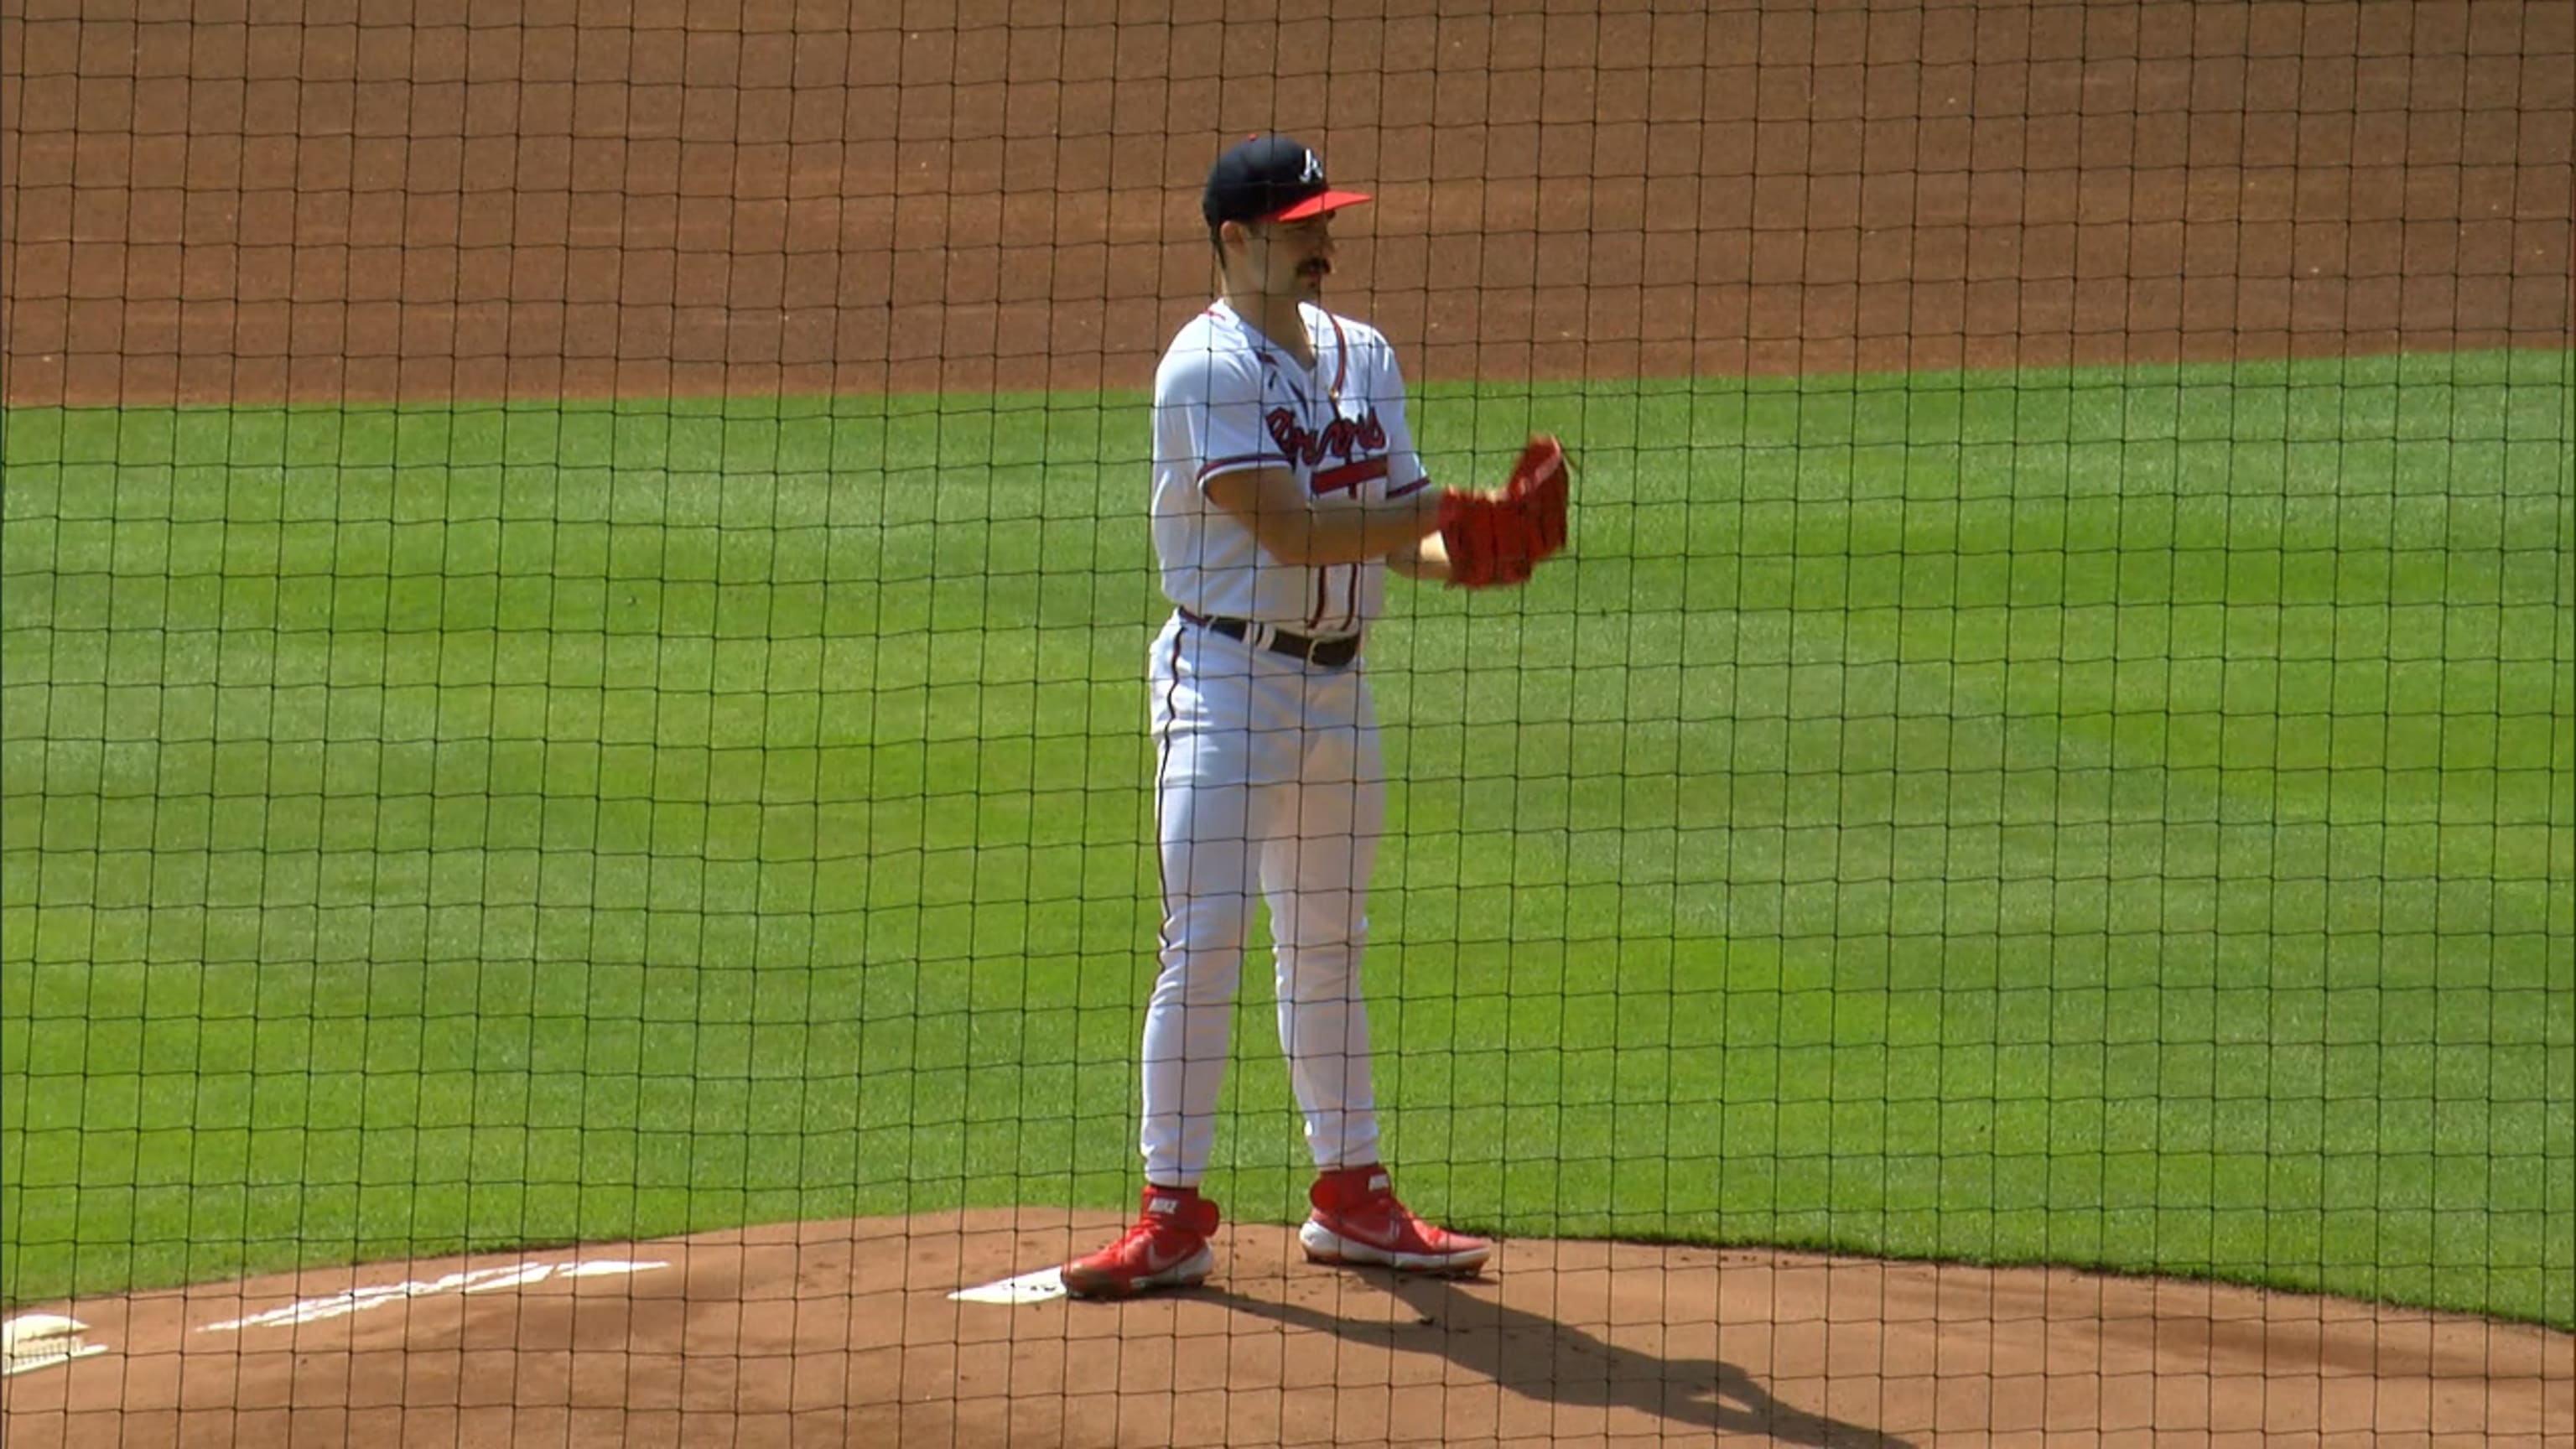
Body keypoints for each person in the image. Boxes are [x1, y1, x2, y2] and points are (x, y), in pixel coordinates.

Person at [1060, 134, 1568, 1299]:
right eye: (1301, 227)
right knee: (1208, 942)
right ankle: (1170, 1214)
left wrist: (1476, 556)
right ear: (1237, 241)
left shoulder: (1363, 354)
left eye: (1326, 222)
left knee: (1328, 947)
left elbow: (1396, 526)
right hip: (1226, 687)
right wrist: (1445, 510)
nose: (1323, 242)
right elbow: (1288, 529)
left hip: (1341, 689)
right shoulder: (1205, 366)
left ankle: (1353, 1195)